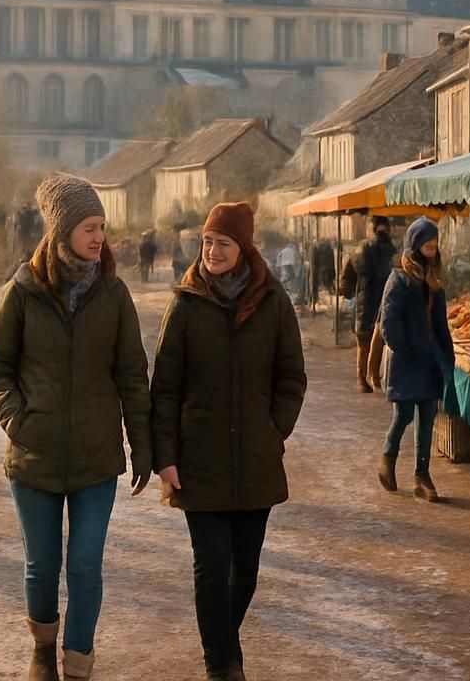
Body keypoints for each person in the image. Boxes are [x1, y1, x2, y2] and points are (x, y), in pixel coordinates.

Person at [0, 174, 152, 681]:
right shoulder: (23, 292)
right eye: (88, 227)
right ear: (60, 232)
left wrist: (142, 447)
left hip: (96, 460)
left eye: (102, 226)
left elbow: (132, 376)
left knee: (84, 566)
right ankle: (42, 648)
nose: (99, 237)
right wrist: (20, 419)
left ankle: (78, 663)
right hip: (33, 457)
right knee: (42, 565)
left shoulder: (115, 295)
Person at [151, 202, 307, 681]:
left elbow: (291, 378)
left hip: (256, 462)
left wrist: (271, 430)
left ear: (243, 247)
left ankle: (223, 646)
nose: (212, 251)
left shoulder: (274, 301)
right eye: (207, 241)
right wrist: (166, 458)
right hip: (199, 463)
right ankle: (222, 666)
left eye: (222, 242)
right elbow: (165, 389)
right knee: (212, 569)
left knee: (246, 573)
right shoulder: (185, 304)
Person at [375, 218, 454, 502]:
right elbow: (389, 323)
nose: (431, 248)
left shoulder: (435, 283)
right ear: (415, 244)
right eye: (426, 243)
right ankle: (388, 456)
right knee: (403, 416)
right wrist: (406, 350)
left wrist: (447, 356)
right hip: (407, 363)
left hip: (430, 363)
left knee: (427, 419)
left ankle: (422, 476)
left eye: (434, 243)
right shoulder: (399, 280)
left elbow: (441, 324)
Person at [337, 215, 398, 392]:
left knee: (363, 344)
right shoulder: (391, 250)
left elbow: (346, 276)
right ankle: (376, 377)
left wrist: (347, 292)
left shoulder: (360, 249)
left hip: (363, 302)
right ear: (387, 228)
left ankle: (362, 378)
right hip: (385, 302)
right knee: (382, 341)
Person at [312, 239, 336, 308]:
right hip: (329, 268)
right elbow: (332, 261)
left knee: (323, 287)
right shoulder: (330, 249)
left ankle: (322, 303)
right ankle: (329, 303)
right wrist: (333, 274)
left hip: (320, 269)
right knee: (328, 286)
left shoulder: (317, 248)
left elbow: (314, 261)